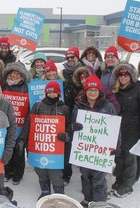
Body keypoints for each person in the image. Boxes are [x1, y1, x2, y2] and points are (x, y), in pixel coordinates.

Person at [17, 81, 70, 199]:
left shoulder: (64, 108)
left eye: (54, 92)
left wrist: (67, 135)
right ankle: (45, 191)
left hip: (56, 148)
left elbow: (68, 127)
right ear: (46, 93)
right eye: (49, 92)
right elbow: (29, 123)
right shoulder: (38, 106)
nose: (52, 95)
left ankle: (58, 194)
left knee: (55, 173)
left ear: (58, 93)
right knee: (41, 170)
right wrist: (22, 139)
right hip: (40, 145)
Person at [72, 75, 118, 207]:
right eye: (90, 90)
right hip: (84, 150)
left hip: (101, 151)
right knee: (85, 176)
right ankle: (87, 200)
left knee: (99, 178)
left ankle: (99, 203)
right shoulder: (78, 106)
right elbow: (73, 124)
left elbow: (115, 129)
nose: (92, 92)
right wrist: (72, 127)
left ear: (99, 91)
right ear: (85, 91)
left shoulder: (108, 106)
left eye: (95, 90)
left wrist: (116, 147)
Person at [111, 62, 140, 198]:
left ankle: (127, 185)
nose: (123, 78)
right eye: (120, 75)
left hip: (133, 130)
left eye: (126, 75)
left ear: (131, 76)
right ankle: (119, 180)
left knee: (130, 159)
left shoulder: (138, 88)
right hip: (118, 129)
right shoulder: (116, 90)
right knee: (119, 157)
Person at [2, 62, 31, 185]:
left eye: (17, 73)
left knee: (19, 151)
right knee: (7, 149)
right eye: (13, 72)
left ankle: (18, 175)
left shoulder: (27, 87)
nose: (15, 75)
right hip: (6, 124)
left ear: (22, 75)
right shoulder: (4, 87)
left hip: (21, 124)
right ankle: (7, 172)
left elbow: (30, 107)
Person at [59, 46, 84, 185]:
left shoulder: (83, 71)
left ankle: (85, 172)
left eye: (72, 57)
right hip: (65, 111)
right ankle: (66, 174)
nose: (70, 60)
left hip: (81, 110)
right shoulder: (62, 73)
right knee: (66, 143)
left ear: (77, 58)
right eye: (68, 58)